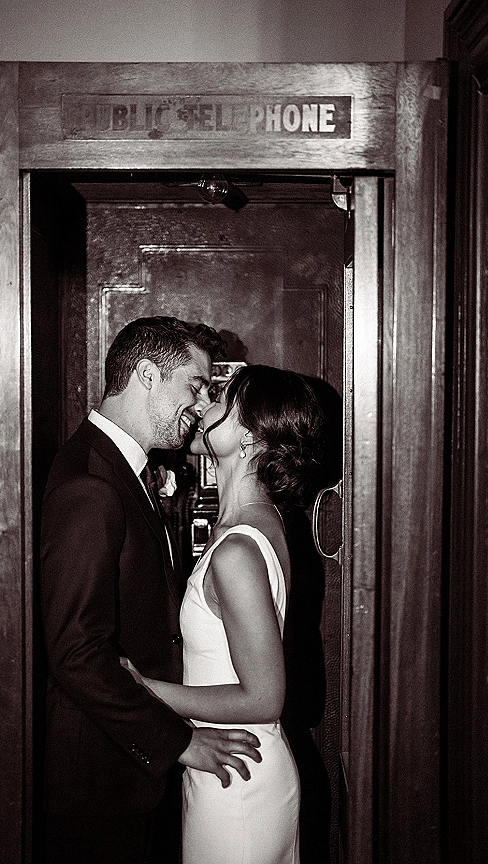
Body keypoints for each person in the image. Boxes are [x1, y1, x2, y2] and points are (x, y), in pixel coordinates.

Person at [39, 316, 262, 864]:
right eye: (194, 385)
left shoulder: (124, 468)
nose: (201, 403)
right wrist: (181, 743)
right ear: (145, 375)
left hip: (128, 773)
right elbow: (76, 653)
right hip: (100, 783)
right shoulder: (92, 484)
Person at [122, 364, 325, 864]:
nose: (203, 408)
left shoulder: (238, 549)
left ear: (250, 434)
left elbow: (265, 696)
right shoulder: (256, 521)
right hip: (229, 763)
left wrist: (147, 691)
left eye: (219, 401)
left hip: (239, 776)